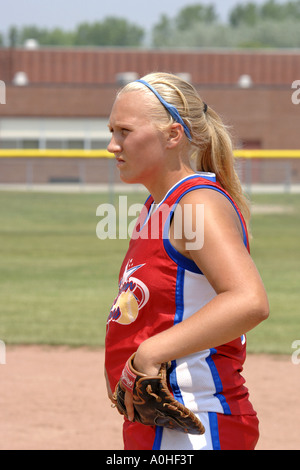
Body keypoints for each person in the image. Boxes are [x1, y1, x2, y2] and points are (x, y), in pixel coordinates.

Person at [104, 72, 269, 450]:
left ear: (173, 135)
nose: (112, 145)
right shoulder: (155, 208)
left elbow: (249, 301)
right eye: (112, 130)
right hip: (158, 422)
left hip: (196, 423)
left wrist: (150, 352)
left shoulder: (196, 203)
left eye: (125, 132)